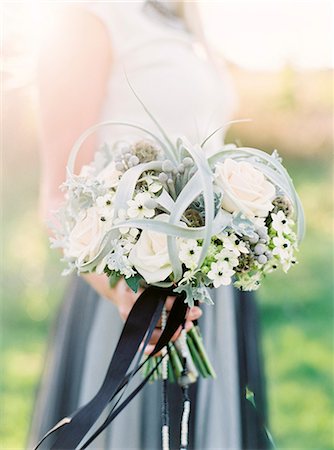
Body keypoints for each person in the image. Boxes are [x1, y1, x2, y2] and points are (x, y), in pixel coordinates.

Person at [28, 2, 268, 449]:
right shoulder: (88, 17)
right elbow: (58, 198)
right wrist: (123, 291)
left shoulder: (184, 19)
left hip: (210, 287)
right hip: (127, 288)